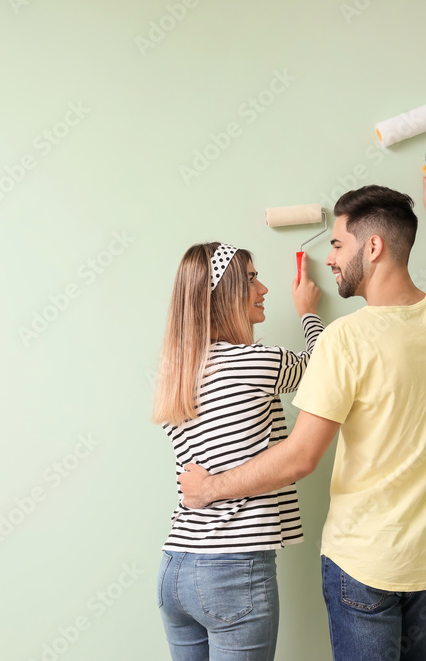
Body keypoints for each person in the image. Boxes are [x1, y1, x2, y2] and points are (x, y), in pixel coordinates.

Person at [178, 172, 426, 661]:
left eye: (337, 244)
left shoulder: (345, 339)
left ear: (372, 248)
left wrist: (211, 487)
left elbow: (302, 457)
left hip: (362, 565)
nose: (328, 257)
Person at [151, 241, 323, 660]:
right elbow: (324, 366)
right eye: (250, 279)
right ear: (223, 295)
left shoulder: (176, 374)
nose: (263, 289)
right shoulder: (255, 362)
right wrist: (309, 311)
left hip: (176, 566)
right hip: (231, 570)